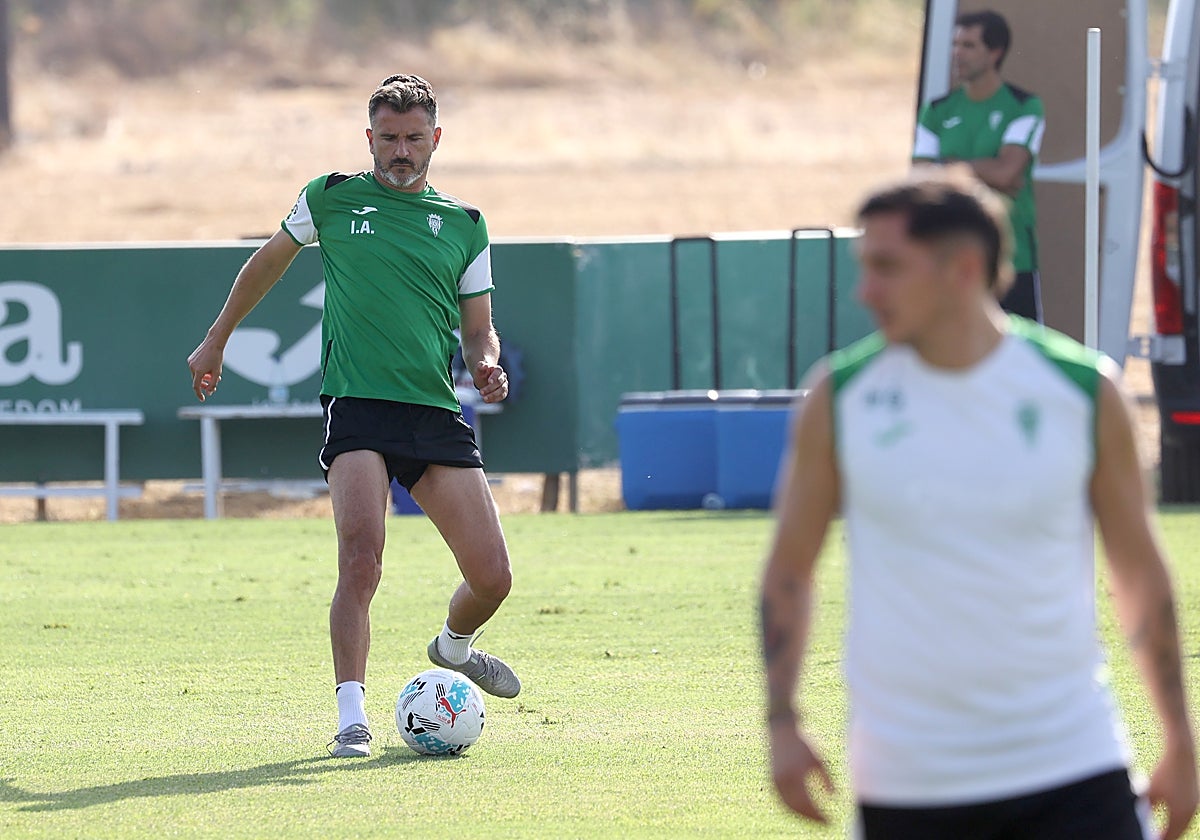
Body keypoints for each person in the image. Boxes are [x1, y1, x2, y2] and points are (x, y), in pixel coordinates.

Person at [760, 167, 1198, 839]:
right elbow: (789, 572)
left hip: (1073, 770)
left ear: (962, 269)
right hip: (905, 783)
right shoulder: (840, 398)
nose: (864, 290)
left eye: (886, 267)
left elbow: (1139, 573)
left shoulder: (1083, 393)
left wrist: (1179, 735)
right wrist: (782, 721)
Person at [187, 74, 521, 759]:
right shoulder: (332, 198)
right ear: (370, 138)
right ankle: (352, 719)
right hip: (357, 406)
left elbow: (479, 328)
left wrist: (487, 362)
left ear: (436, 139)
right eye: (389, 139)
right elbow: (266, 264)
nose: (401, 151)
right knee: (361, 557)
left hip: (432, 410)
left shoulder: (465, 224)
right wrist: (216, 337)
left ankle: (453, 647)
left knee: (494, 578)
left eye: (414, 138)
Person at [913, 9, 1045, 323]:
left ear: (995, 52)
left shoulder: (1024, 106)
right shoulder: (937, 110)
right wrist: (986, 172)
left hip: (1013, 258)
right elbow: (920, 178)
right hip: (949, 252)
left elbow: (1006, 172)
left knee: (1022, 356)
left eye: (969, 46)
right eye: (955, 44)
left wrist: (947, 167)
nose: (957, 53)